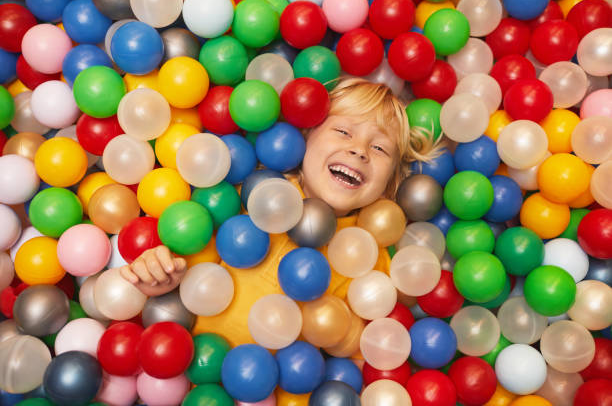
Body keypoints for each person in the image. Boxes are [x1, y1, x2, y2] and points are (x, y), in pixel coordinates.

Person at [119, 77, 439, 346]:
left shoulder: (373, 262)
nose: (359, 150)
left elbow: (365, 347)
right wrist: (157, 279)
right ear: (304, 138)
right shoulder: (250, 197)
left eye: (380, 148)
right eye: (343, 132)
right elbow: (179, 268)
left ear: (389, 185)